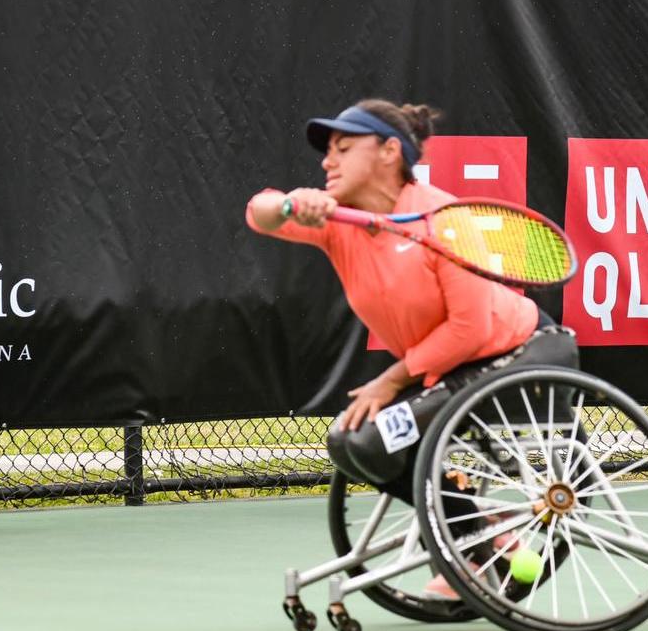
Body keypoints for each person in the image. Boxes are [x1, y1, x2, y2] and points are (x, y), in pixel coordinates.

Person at [245, 98, 578, 598]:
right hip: (447, 373)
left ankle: (471, 545)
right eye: (327, 152)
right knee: (352, 441)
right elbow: (258, 214)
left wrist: (393, 379)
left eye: (343, 148)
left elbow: (469, 328)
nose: (327, 162)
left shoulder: (445, 219)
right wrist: (293, 201)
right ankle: (480, 537)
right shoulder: (341, 223)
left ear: (388, 151)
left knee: (374, 439)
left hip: (518, 355)